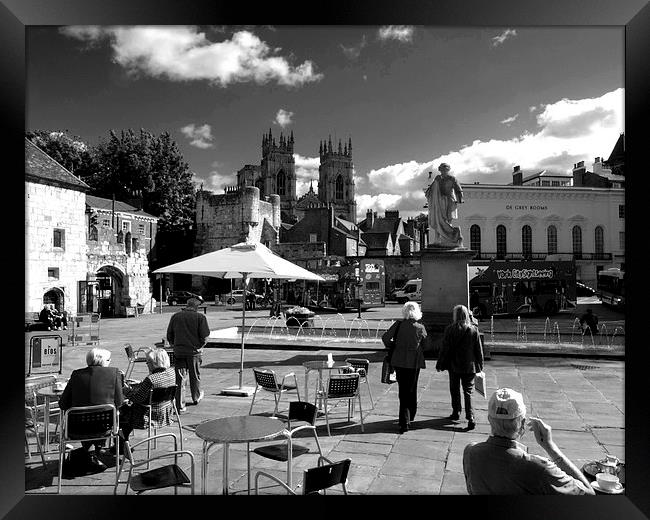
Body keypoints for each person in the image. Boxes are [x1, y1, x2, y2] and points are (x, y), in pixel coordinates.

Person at [463, 387, 595, 495]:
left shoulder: (471, 452)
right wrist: (550, 447)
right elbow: (589, 494)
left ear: (489, 419)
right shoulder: (538, 468)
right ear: (522, 423)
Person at [58, 347, 125, 472]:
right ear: (103, 361)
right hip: (105, 427)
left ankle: (90, 453)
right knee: (109, 415)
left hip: (77, 428)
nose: (110, 362)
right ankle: (95, 451)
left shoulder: (76, 375)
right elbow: (120, 402)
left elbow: (62, 404)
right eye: (109, 360)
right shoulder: (114, 373)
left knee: (87, 420)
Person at [381, 301, 428, 434]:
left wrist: (393, 346)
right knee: (412, 389)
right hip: (414, 363)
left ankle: (405, 418)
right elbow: (426, 344)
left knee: (403, 390)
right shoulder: (420, 327)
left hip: (399, 361)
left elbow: (385, 338)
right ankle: (408, 417)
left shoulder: (398, 324)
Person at [436, 304, 484, 430]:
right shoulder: (473, 329)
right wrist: (480, 365)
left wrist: (440, 363)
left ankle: (456, 412)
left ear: (455, 315)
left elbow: (444, 349)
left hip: (454, 365)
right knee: (468, 392)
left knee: (454, 389)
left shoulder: (450, 329)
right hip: (469, 366)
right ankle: (471, 417)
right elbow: (479, 350)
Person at [119, 348, 176, 451]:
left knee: (121, 413)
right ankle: (123, 442)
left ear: (155, 363)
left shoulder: (151, 379)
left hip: (147, 416)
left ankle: (122, 445)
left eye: (148, 362)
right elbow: (158, 386)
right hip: (165, 412)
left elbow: (138, 398)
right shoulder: (172, 372)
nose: (147, 364)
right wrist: (140, 383)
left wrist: (125, 390)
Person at [166, 297, 210, 412]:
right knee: (194, 375)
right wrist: (200, 346)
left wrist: (174, 344)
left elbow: (169, 334)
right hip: (194, 352)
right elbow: (205, 337)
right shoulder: (200, 317)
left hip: (179, 351)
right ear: (196, 307)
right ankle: (195, 397)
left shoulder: (175, 316)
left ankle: (180, 404)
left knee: (179, 378)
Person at [424, 162, 464, 247]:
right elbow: (432, 189)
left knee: (447, 220)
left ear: (448, 170)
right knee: (437, 219)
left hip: (449, 201)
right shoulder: (437, 178)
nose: (443, 171)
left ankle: (452, 236)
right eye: (442, 170)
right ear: (439, 170)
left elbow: (458, 189)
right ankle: (437, 239)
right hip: (439, 202)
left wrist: (460, 198)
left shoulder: (452, 178)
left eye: (445, 170)